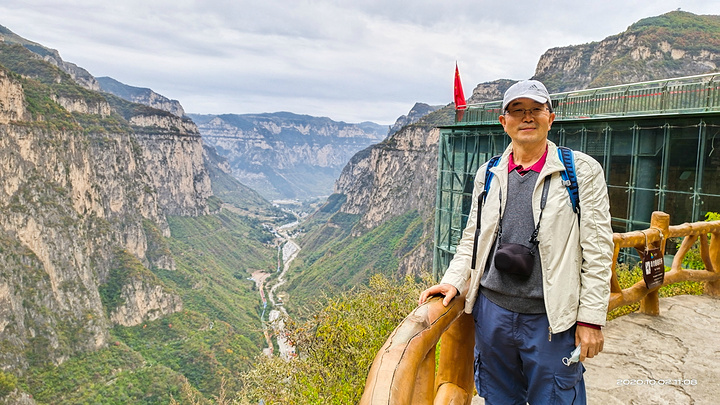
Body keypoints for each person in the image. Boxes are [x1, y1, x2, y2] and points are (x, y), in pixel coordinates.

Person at [419, 80, 613, 404]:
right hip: (491, 314)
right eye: (517, 110)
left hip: (551, 322)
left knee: (555, 398)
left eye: (536, 109)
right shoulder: (489, 171)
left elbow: (597, 250)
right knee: (498, 398)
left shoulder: (579, 171)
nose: (527, 117)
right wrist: (452, 281)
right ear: (503, 121)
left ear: (551, 118)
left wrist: (591, 320)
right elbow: (473, 236)